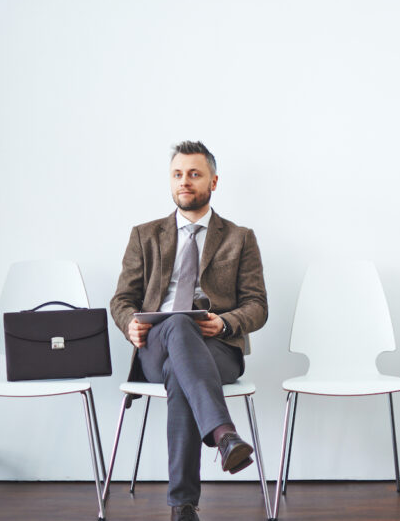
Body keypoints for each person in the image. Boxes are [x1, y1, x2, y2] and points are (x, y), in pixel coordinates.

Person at [110, 141, 268, 521]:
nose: (185, 181)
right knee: (178, 322)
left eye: (194, 174)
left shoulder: (239, 237)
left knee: (181, 376)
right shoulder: (144, 235)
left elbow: (257, 305)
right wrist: (130, 323)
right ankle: (224, 435)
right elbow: (121, 299)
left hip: (216, 347)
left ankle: (183, 507)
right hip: (156, 345)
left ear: (213, 182)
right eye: (178, 174)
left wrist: (226, 322)